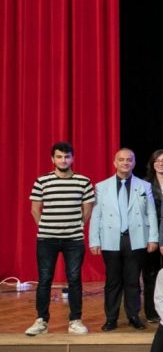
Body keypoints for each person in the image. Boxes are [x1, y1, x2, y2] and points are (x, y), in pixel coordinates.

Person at [26, 141, 95, 336]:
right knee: (45, 279)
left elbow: (87, 209)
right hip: (46, 239)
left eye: (67, 156)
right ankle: (41, 321)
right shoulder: (42, 181)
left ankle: (75, 320)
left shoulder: (83, 181)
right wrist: (47, 227)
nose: (63, 160)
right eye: (59, 156)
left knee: (74, 279)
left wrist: (77, 226)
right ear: (52, 159)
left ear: (72, 158)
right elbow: (34, 209)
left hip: (74, 240)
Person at [89, 148, 160, 331]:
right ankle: (111, 317)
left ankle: (133, 315)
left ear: (134, 163)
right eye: (121, 160)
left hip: (136, 238)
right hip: (110, 239)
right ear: (115, 163)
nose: (125, 163)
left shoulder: (144, 186)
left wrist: (153, 238)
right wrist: (94, 240)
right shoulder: (101, 187)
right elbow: (96, 215)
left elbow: (150, 212)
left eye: (129, 160)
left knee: (133, 280)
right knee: (113, 281)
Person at [141, 149, 163, 323]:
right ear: (152, 164)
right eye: (157, 161)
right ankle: (152, 312)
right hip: (151, 233)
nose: (161, 163)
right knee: (150, 274)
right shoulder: (144, 184)